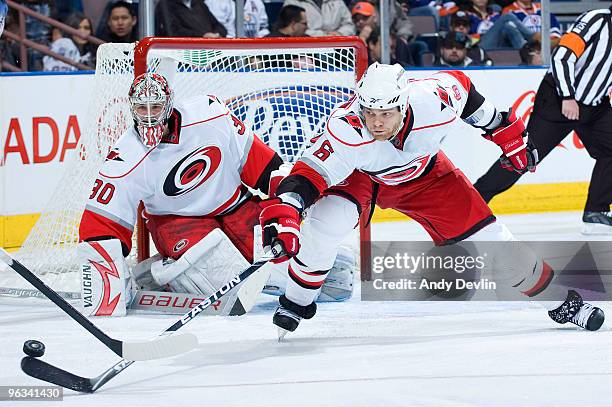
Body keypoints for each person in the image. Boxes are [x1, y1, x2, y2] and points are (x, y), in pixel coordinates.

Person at [258, 62, 604, 336]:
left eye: (386, 114)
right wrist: (288, 211)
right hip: (360, 177)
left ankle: (560, 301)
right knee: (326, 224)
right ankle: (297, 301)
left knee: (495, 243)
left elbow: (466, 91)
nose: (376, 123)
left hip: (427, 177)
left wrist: (501, 130)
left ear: (404, 104)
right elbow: (307, 176)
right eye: (369, 113)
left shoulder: (434, 99)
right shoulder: (346, 129)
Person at [78, 73, 353, 317]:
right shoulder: (125, 157)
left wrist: (285, 208)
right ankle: (159, 275)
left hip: (236, 207)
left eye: (156, 107)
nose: (149, 115)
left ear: (169, 104)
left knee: (321, 269)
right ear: (132, 109)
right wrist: (106, 282)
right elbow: (102, 222)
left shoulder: (210, 114)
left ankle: (285, 271)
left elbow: (262, 164)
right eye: (142, 108)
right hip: (177, 223)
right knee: (225, 280)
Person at [474, 7, 612, 234]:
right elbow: (562, 56)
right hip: (560, 100)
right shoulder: (596, 20)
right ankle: (472, 205)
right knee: (523, 157)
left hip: (595, 105)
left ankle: (596, 212)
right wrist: (567, 96)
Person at [155, 0, 227, 38]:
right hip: (183, 54)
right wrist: (202, 36)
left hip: (209, 51)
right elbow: (173, 32)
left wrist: (216, 34)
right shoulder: (165, 5)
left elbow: (218, 26)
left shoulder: (199, 4)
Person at [282, 0, 354, 37]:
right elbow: (290, 28)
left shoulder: (337, 1)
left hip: (338, 45)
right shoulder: (292, 2)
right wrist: (322, 36)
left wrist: (340, 33)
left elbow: (349, 24)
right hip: (307, 46)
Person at [205, 0, 269, 38]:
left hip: (254, 49)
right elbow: (217, 31)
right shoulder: (214, 2)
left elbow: (263, 29)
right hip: (228, 49)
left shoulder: (257, 2)